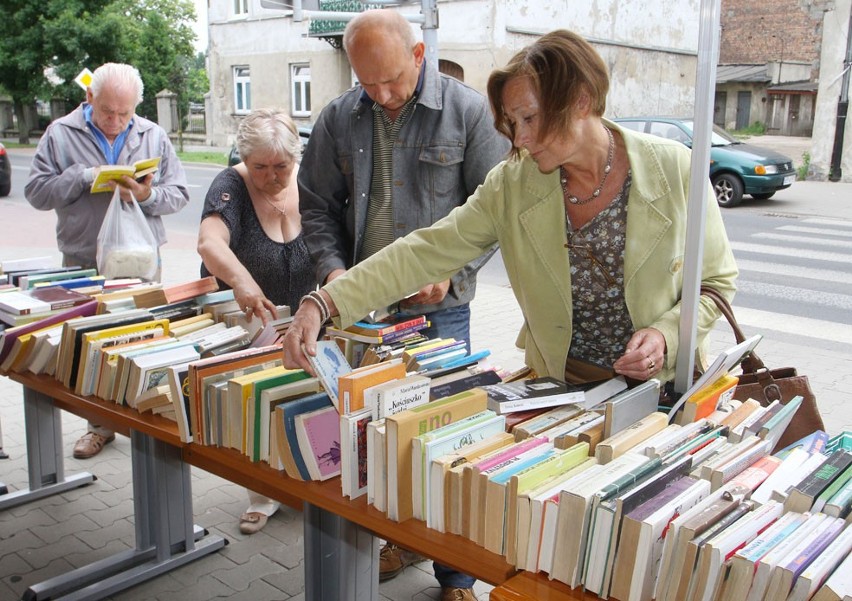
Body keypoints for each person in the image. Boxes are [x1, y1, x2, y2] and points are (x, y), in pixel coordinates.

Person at [284, 24, 737, 577]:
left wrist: (666, 332)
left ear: (582, 100)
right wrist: (324, 304)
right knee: (566, 558)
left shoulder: (675, 169)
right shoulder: (515, 183)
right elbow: (422, 251)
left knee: (647, 563)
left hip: (664, 403)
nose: (519, 139)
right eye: (512, 122)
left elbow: (715, 283)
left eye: (530, 119)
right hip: (565, 401)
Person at [297, 10, 510, 601]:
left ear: (420, 56)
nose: (382, 95)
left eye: (391, 79)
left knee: (447, 439)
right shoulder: (339, 116)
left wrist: (453, 272)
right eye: (368, 83)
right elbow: (315, 207)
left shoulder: (468, 113)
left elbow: (496, 215)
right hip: (361, 315)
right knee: (372, 437)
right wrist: (335, 276)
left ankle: (456, 576)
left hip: (440, 310)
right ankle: (393, 537)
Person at [25, 62, 190, 460]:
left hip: (140, 262)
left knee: (143, 338)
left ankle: (143, 419)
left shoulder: (153, 134)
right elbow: (35, 192)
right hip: (83, 260)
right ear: (89, 99)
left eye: (124, 113)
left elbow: (180, 194)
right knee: (87, 344)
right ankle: (97, 426)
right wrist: (82, 177)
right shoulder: (61, 134)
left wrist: (145, 196)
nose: (115, 122)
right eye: (107, 113)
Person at [198, 108, 315, 534]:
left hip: (302, 310)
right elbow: (210, 242)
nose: (271, 176)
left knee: (303, 398)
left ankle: (303, 479)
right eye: (259, 166)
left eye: (281, 166)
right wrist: (242, 282)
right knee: (254, 405)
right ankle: (260, 496)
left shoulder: (308, 178)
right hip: (250, 317)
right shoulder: (230, 184)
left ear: (294, 158)